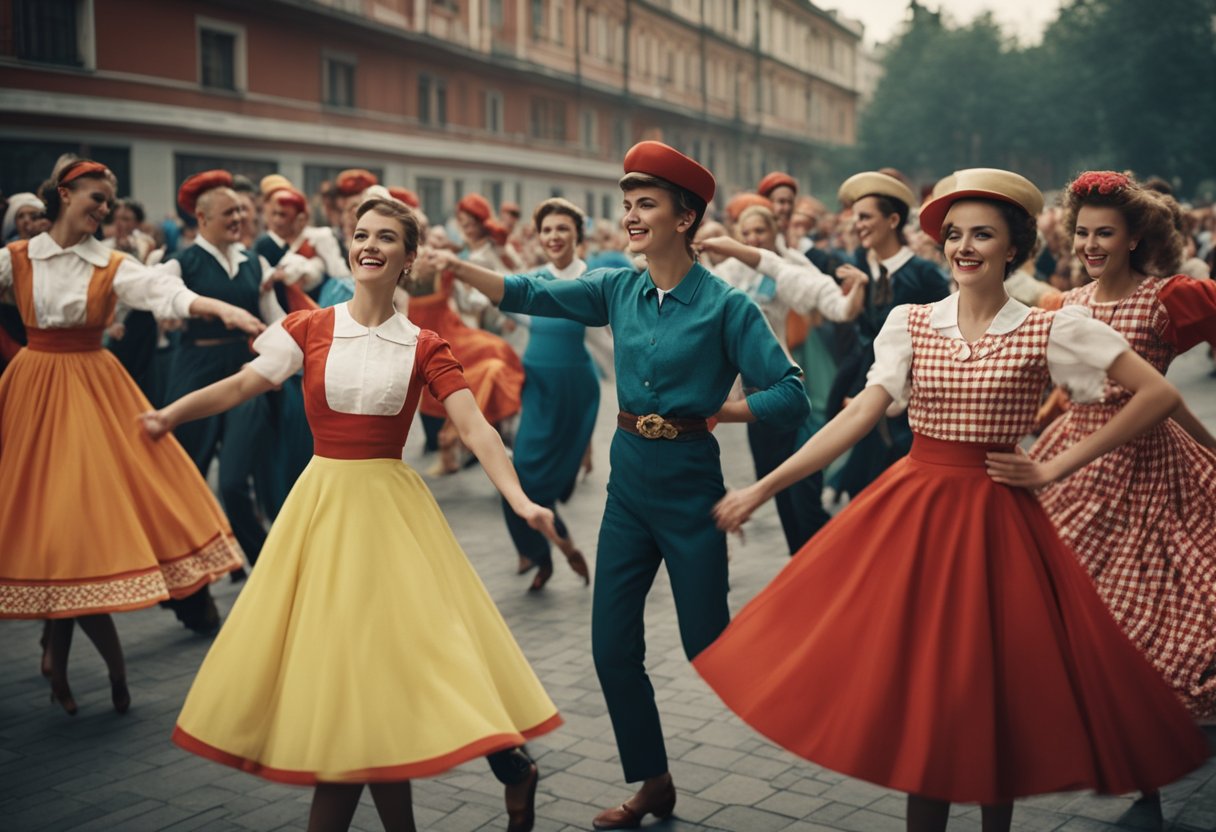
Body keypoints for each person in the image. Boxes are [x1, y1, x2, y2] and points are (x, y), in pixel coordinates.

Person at [695, 169, 1208, 832]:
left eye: (983, 235)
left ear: (1014, 246)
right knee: (921, 692)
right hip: (915, 514)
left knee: (991, 692)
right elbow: (856, 418)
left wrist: (1054, 466)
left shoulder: (1052, 327)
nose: (965, 247)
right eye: (955, 234)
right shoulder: (911, 322)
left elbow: (1160, 395)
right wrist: (762, 489)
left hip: (998, 520)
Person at [143, 196, 560, 832]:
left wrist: (524, 502)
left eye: (386, 238)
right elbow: (241, 385)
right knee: (354, 680)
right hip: (322, 513)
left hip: (391, 517)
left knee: (400, 663)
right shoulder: (307, 328)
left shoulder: (425, 344)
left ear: (409, 258)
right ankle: (505, 764)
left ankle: (507, 758)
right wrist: (169, 416)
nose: (369, 245)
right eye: (360, 234)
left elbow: (477, 431)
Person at [437, 141, 810, 829]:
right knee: (612, 649)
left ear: (685, 217)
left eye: (646, 205)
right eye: (628, 204)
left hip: (695, 490)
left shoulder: (727, 308)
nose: (631, 216)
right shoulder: (618, 287)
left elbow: (790, 393)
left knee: (710, 649)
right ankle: (654, 784)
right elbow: (531, 292)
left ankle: (814, 690)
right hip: (628, 485)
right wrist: (455, 264)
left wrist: (724, 410)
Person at [0, 159, 259, 713]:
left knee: (79, 514)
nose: (103, 210)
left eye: (108, 203)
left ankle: (91, 657)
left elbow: (163, 295)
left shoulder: (112, 264)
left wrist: (220, 308)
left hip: (92, 391)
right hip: (31, 391)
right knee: (41, 515)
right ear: (64, 195)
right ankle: (59, 645)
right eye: (94, 198)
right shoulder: (17, 260)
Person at [1030, 170, 1216, 716]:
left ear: (1133, 238)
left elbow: (1158, 397)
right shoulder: (1061, 306)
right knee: (1066, 578)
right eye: (1082, 232)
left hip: (1148, 459)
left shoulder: (1170, 296)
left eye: (1105, 233)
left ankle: (1139, 711)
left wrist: (1210, 448)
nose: (1090, 244)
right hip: (1075, 453)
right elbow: (1055, 391)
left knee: (1163, 585)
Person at [436, 198, 600, 590]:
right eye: (546, 230)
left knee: (545, 484)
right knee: (518, 479)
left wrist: (589, 440)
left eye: (562, 228)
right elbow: (508, 302)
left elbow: (611, 340)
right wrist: (461, 283)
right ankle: (550, 549)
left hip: (575, 390)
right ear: (538, 237)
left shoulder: (595, 280)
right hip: (537, 385)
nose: (554, 236)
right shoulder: (533, 277)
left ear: (577, 234)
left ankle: (545, 551)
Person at [697, 204, 867, 552]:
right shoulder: (726, 273)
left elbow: (834, 303)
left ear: (775, 231)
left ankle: (835, 562)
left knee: (803, 494)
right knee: (778, 492)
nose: (754, 239)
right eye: (747, 233)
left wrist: (855, 293)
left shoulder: (785, 267)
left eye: (760, 231)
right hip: (751, 397)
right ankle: (804, 569)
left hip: (786, 388)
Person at [162, 170, 287, 600]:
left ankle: (273, 570)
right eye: (229, 211)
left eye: (240, 210)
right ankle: (189, 595)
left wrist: (278, 364)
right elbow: (162, 303)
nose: (239, 217)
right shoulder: (180, 262)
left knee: (234, 482)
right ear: (202, 217)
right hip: (193, 372)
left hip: (244, 374)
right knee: (185, 480)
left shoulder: (257, 263)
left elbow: (277, 323)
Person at [827, 170, 949, 500]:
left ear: (893, 219)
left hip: (910, 404)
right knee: (863, 488)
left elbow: (947, 336)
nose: (858, 225)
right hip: (868, 386)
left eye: (866, 217)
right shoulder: (861, 266)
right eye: (856, 218)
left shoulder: (924, 274)